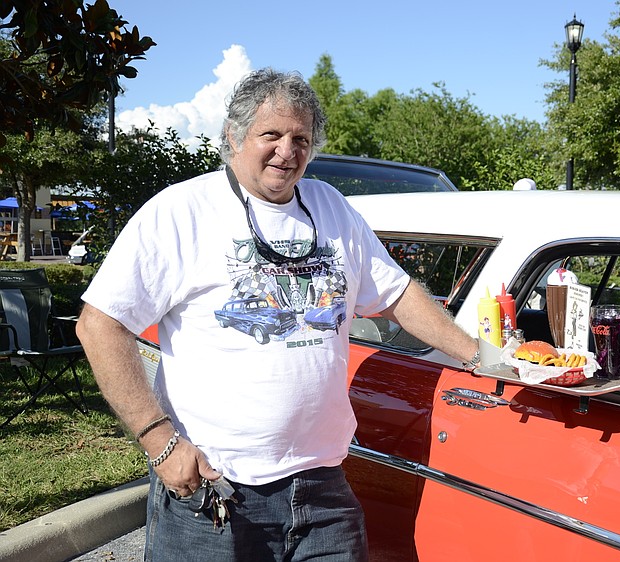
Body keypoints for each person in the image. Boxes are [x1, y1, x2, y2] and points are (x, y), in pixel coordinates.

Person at [75, 68, 479, 562]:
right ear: (234, 136)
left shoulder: (330, 206)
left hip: (323, 486)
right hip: (215, 488)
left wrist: (478, 354)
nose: (287, 151)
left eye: (301, 138)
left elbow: (396, 293)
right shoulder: (181, 211)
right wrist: (159, 442)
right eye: (272, 135)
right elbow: (100, 324)